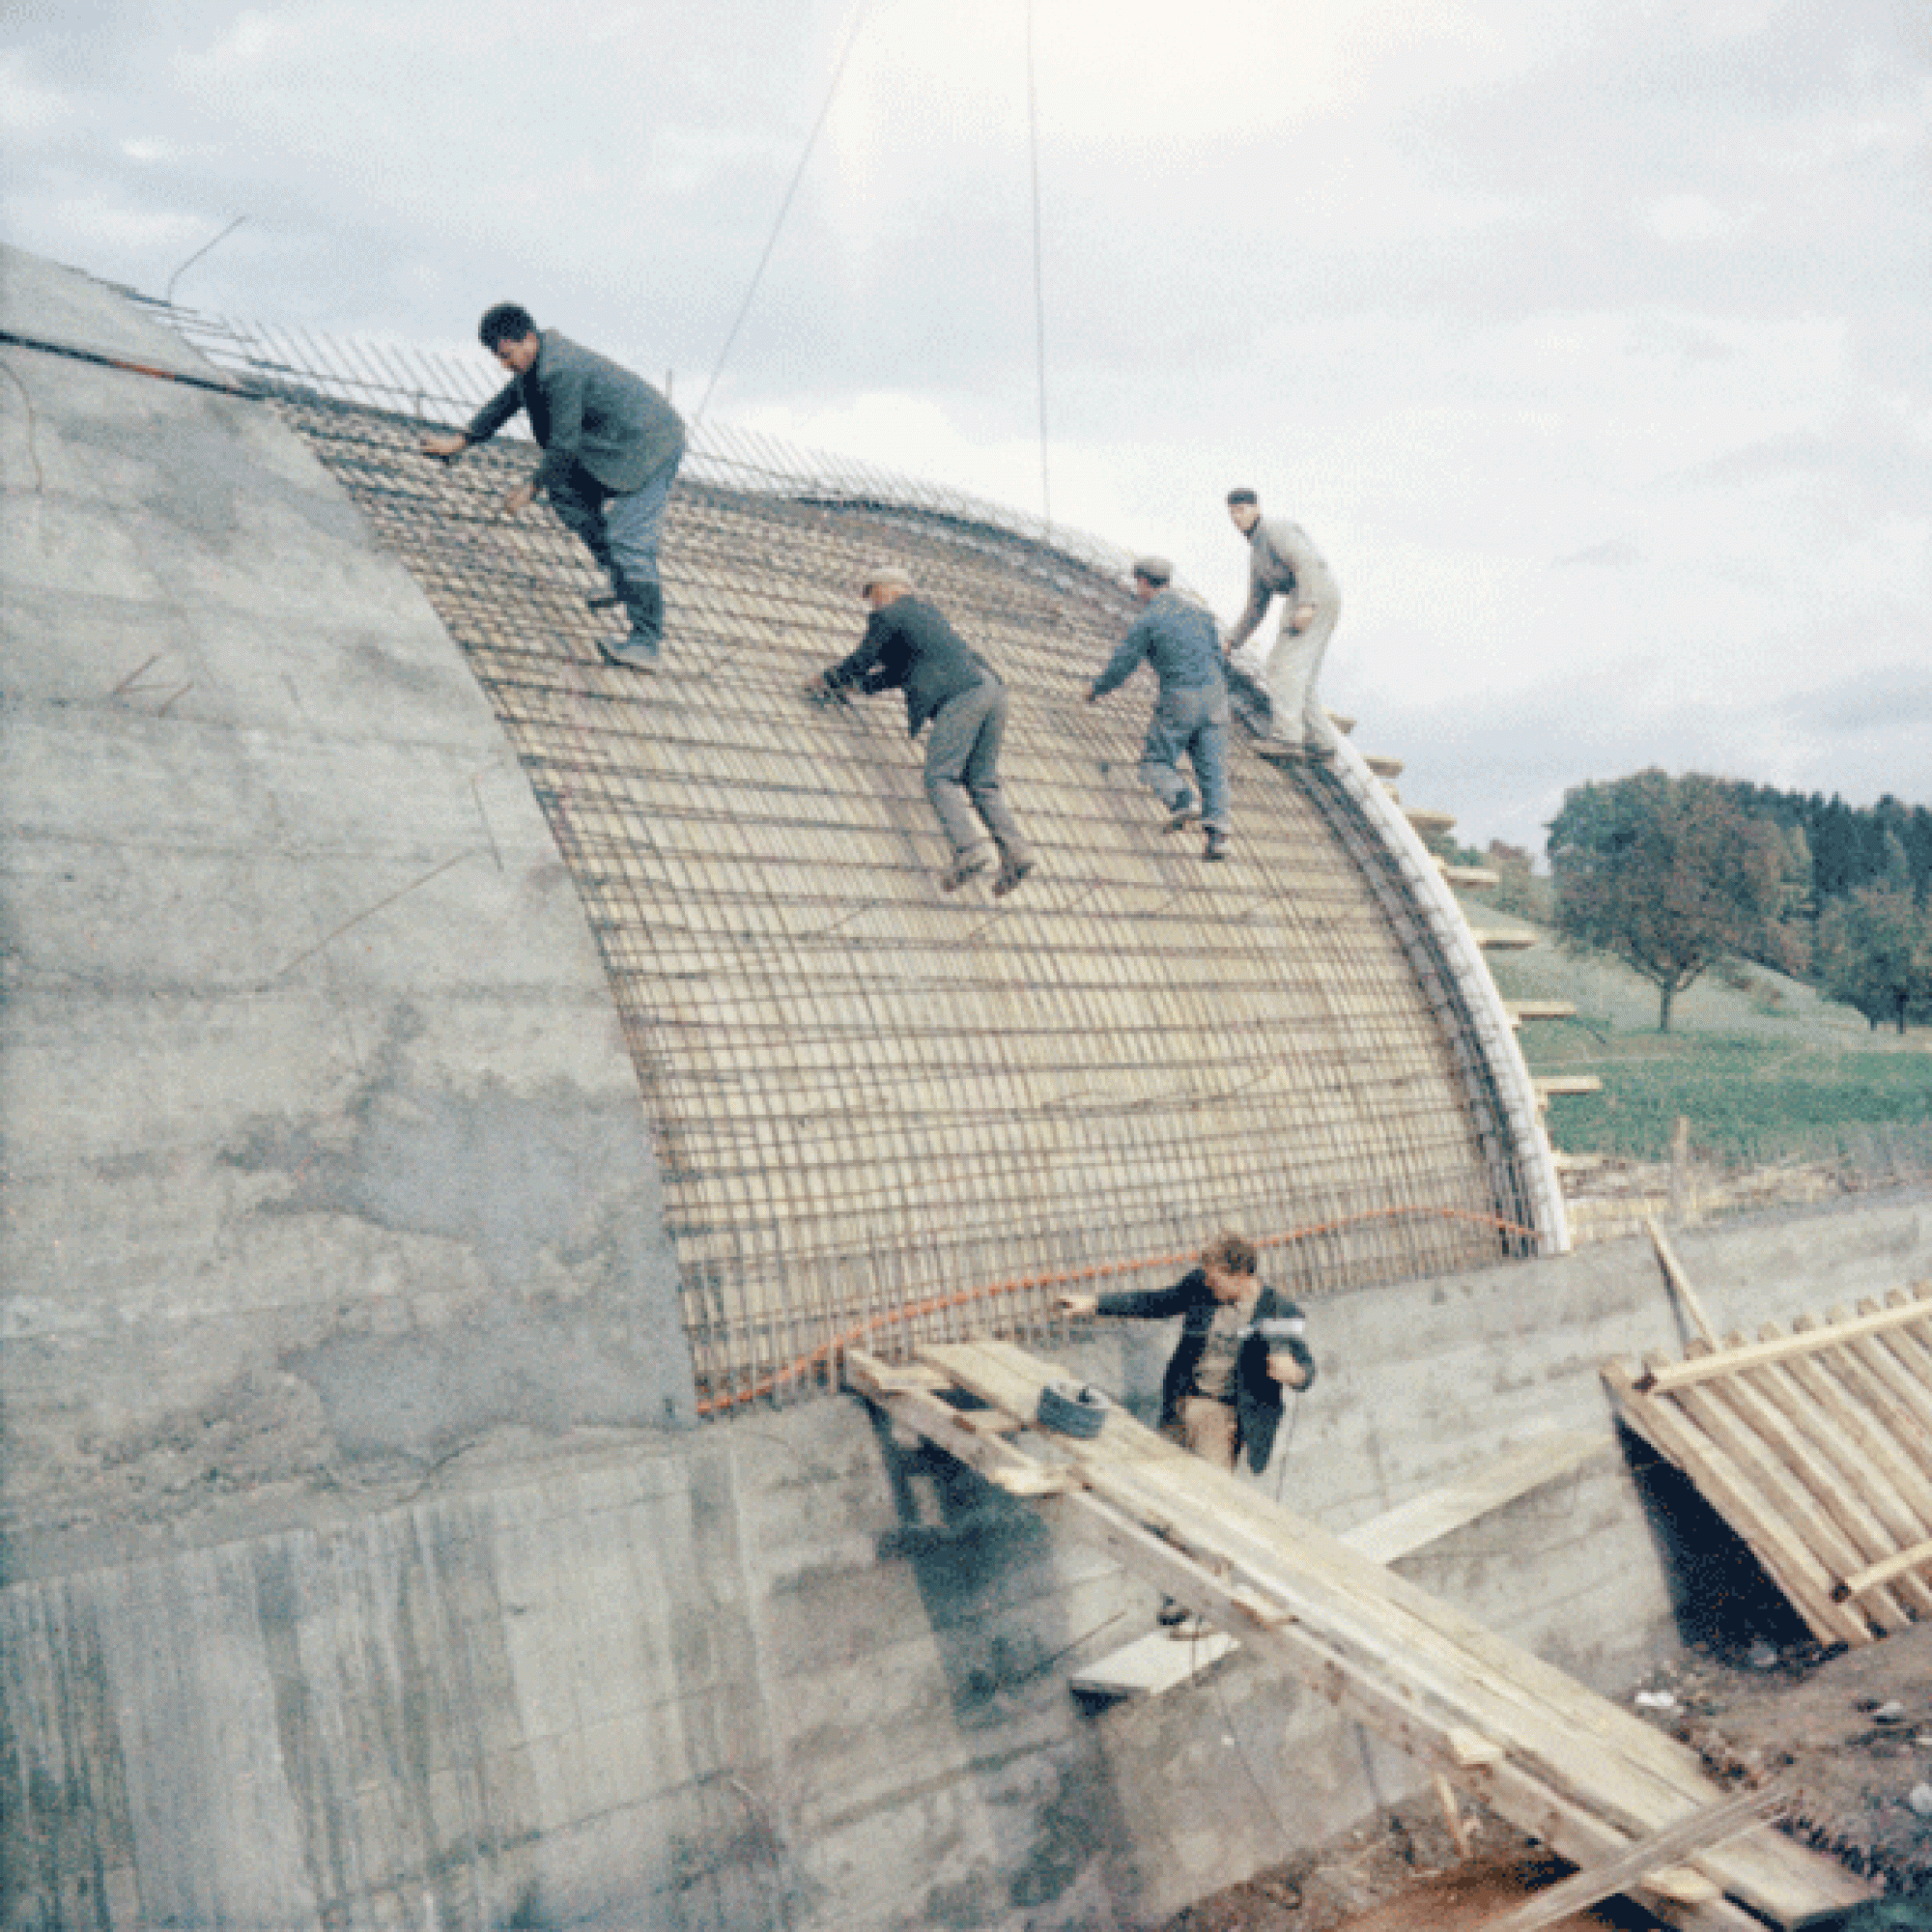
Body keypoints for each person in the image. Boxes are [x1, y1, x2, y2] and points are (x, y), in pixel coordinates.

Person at [1062, 1231, 1316, 1634]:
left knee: (1209, 1508)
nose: (1208, 1284)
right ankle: (1185, 1594)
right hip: (1182, 1404)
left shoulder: (1277, 1310)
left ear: (1241, 1274)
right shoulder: (1200, 1288)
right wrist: (1094, 1303)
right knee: (1170, 1502)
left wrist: (1294, 1374)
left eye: (1215, 1278)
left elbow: (1305, 1368)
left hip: (1223, 1416)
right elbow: (1154, 1301)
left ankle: (1211, 1607)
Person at [421, 303, 685, 672]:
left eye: (507, 355)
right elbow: (505, 403)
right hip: (614, 446)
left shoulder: (560, 369)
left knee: (629, 538)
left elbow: (564, 445)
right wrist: (463, 440)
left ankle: (646, 642)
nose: (505, 364)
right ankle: (619, 580)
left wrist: (530, 487)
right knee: (565, 495)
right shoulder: (538, 363)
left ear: (528, 339)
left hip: (651, 445)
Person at [807, 565, 1035, 895]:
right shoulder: (925, 617)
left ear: (887, 588)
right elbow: (898, 672)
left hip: (964, 693)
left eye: (872, 595)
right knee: (981, 780)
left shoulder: (890, 615)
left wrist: (828, 679)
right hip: (992, 689)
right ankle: (1016, 851)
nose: (872, 604)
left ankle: (969, 850)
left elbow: (864, 657)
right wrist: (856, 688)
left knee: (940, 776)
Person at [1088, 555, 1233, 864]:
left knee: (1154, 761)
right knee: (1213, 769)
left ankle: (1182, 799)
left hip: (1181, 698)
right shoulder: (1202, 615)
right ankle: (1217, 836)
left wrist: (1096, 689)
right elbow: (1219, 657)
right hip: (1217, 697)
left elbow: (1123, 664)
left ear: (1142, 582)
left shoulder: (1149, 619)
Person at [1221, 487, 1342, 761]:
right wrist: (1232, 640)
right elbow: (1256, 605)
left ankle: (1287, 738)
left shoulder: (1276, 531)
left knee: (1282, 666)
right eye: (1232, 513)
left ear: (1256, 509)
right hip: (1313, 596)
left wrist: (1308, 604)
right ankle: (1322, 741)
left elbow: (1307, 562)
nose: (1236, 517)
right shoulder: (1257, 552)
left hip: (1313, 593)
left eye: (1241, 510)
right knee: (1301, 676)